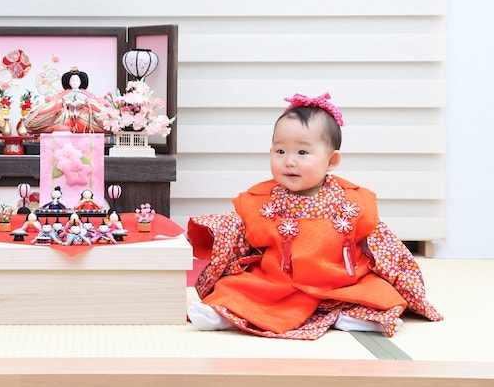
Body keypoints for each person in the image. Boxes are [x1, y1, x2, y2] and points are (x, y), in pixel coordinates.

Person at [186, 93, 442, 340]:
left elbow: (382, 246)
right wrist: (222, 229)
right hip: (280, 283)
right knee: (236, 289)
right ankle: (224, 314)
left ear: (331, 161)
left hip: (343, 284)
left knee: (381, 293)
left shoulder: (351, 200)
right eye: (280, 151)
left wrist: (406, 282)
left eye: (302, 153)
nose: (289, 162)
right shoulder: (263, 200)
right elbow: (245, 237)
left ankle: (350, 315)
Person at [24, 67, 105, 133]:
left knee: (92, 113)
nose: (74, 82)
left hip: (83, 116)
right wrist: (64, 103)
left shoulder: (87, 94)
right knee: (59, 111)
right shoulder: (63, 94)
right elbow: (55, 102)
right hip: (66, 115)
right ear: (68, 82)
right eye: (72, 80)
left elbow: (94, 104)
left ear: (81, 81)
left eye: (77, 80)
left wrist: (84, 103)